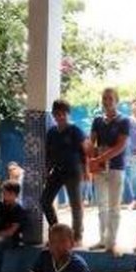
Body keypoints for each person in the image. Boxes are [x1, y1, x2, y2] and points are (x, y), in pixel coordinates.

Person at [89, 87, 130, 254]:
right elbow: (91, 142)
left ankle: (111, 242)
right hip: (99, 168)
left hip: (115, 168)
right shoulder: (97, 120)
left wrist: (99, 159)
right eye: (104, 98)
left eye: (110, 99)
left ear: (116, 101)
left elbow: (120, 146)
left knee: (114, 207)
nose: (106, 102)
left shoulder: (123, 121)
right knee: (101, 205)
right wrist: (90, 160)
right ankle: (102, 239)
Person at [40, 100, 87, 245]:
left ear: (68, 114)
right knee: (45, 201)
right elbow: (48, 154)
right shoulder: (52, 133)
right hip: (58, 171)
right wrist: (46, 171)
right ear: (53, 115)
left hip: (74, 171)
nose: (60, 117)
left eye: (63, 114)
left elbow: (84, 152)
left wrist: (86, 171)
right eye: (57, 114)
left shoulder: (75, 131)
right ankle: (56, 233)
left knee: (75, 205)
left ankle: (77, 236)